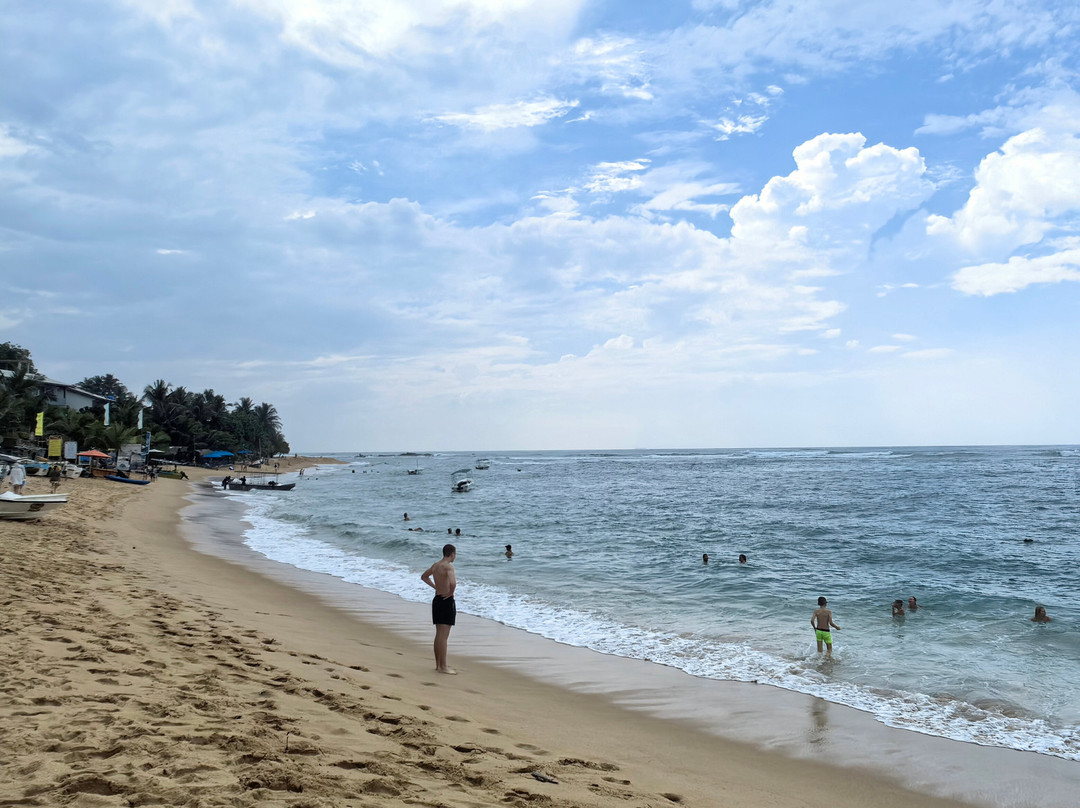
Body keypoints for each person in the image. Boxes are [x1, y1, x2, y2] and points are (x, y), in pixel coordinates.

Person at [421, 544, 458, 674]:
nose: (455, 556)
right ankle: (443, 667)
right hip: (446, 601)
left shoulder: (436, 565)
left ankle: (439, 665)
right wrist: (451, 592)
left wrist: (436, 587)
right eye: (455, 554)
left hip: (437, 600)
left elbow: (424, 576)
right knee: (444, 636)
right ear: (452, 554)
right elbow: (453, 582)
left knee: (439, 635)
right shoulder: (448, 567)